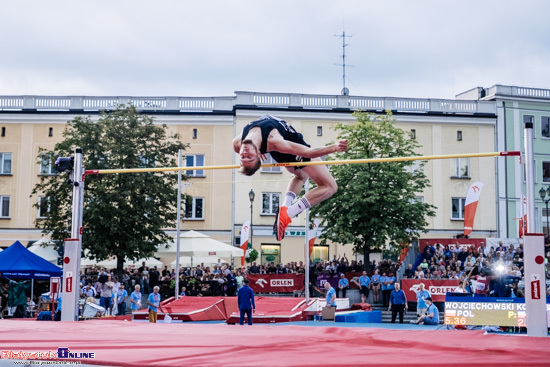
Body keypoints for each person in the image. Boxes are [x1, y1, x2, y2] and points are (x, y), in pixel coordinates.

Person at [233, 115, 348, 241]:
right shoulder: (275, 141)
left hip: (279, 152)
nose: (244, 154)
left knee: (301, 176)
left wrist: (252, 156)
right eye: (249, 157)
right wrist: (334, 147)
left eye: (243, 158)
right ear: (259, 154)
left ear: (260, 154)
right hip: (294, 152)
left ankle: (285, 207)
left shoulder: (237, 144)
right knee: (330, 187)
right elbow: (308, 152)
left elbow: (246, 154)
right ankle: (289, 213)